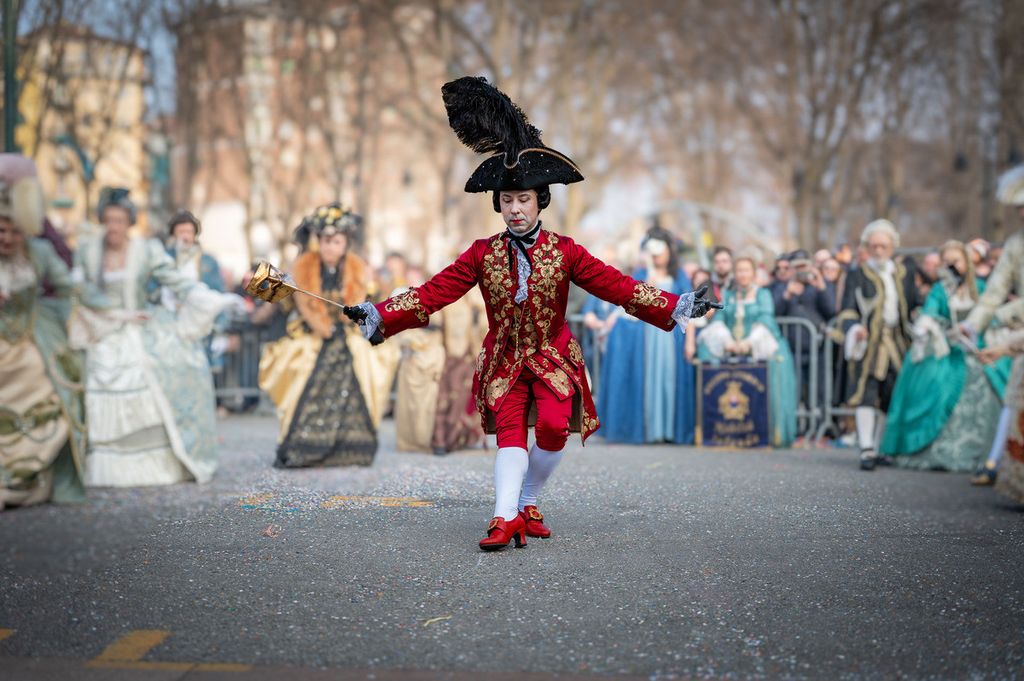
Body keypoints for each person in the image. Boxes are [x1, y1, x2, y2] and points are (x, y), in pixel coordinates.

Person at [343, 77, 718, 550]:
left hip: (553, 356)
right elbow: (435, 292)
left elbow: (617, 286)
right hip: (503, 359)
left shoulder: (567, 251)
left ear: (540, 200)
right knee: (509, 435)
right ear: (498, 204)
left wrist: (677, 304)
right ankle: (504, 518)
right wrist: (380, 314)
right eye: (507, 201)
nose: (515, 209)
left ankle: (527, 500)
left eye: (523, 200)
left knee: (555, 429)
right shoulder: (481, 253)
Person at [73, 188, 239, 486]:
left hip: (140, 326)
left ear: (129, 222)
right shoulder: (88, 251)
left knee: (176, 364)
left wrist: (209, 299)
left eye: (119, 221)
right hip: (102, 329)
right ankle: (99, 464)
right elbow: (80, 290)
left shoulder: (145, 250)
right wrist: (113, 315)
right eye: (108, 220)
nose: (113, 227)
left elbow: (174, 279)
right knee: (94, 375)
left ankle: (157, 463)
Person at [0, 154, 102, 508]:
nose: (7, 238)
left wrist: (112, 310)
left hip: (32, 338)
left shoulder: (40, 252)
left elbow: (71, 286)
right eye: (1, 230)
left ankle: (27, 478)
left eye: (14, 230)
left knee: (49, 380)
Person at [258, 204, 380, 468]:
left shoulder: (359, 270)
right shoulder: (302, 268)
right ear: (318, 242)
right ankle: (301, 447)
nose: (330, 247)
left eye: (336, 242)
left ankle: (350, 448)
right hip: (312, 336)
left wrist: (363, 306)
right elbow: (285, 306)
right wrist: (278, 293)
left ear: (345, 244)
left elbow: (372, 307)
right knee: (300, 365)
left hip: (348, 337)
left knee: (366, 362)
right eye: (325, 241)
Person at [880, 241, 1010, 471]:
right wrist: (929, 326)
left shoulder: (981, 288)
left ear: (966, 262)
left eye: (955, 262)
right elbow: (930, 313)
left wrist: (978, 332)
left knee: (989, 380)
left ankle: (988, 456)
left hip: (978, 348)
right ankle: (934, 450)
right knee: (935, 381)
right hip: (946, 349)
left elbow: (992, 315)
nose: (951, 267)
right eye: (946, 262)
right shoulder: (940, 290)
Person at [835, 219, 923, 471]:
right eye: (874, 246)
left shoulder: (903, 274)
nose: (879, 250)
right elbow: (847, 310)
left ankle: (879, 446)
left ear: (892, 247)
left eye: (883, 246)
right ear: (867, 247)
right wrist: (855, 328)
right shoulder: (857, 274)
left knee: (890, 395)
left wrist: (921, 320)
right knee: (866, 392)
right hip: (870, 344)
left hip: (897, 342)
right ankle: (866, 448)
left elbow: (915, 304)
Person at [598, 226, 697, 445]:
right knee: (648, 380)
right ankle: (651, 430)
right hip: (645, 338)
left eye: (661, 252)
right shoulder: (642, 274)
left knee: (668, 378)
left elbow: (688, 310)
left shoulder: (679, 276)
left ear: (669, 251)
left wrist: (690, 342)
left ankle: (668, 431)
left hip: (671, 338)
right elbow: (627, 301)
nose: (657, 257)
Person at [962, 165, 1024, 501]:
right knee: (1015, 400)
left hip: (1018, 332)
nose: (1021, 213)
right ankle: (996, 463)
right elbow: (995, 291)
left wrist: (1004, 316)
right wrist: (973, 324)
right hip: (1020, 337)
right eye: (1019, 207)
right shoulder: (1016, 244)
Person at [697, 256, 798, 447]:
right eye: (739, 270)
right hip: (736, 348)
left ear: (753, 273)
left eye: (746, 270)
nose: (742, 274)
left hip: (763, 346)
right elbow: (719, 319)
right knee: (706, 345)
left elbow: (766, 319)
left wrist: (749, 343)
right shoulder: (729, 294)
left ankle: (770, 434)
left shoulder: (762, 294)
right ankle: (728, 432)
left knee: (770, 386)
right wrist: (726, 340)